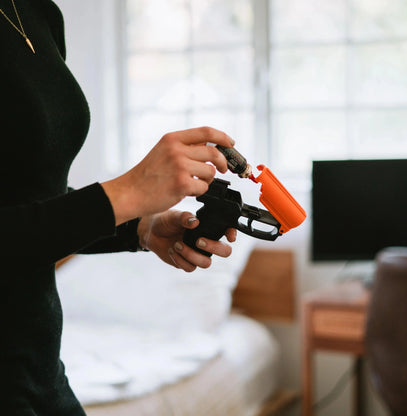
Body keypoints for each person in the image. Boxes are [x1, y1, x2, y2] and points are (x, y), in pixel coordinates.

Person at [0, 0, 236, 414]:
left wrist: (139, 227)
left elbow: (32, 202)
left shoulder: (37, 13)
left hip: (38, 370)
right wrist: (126, 192)